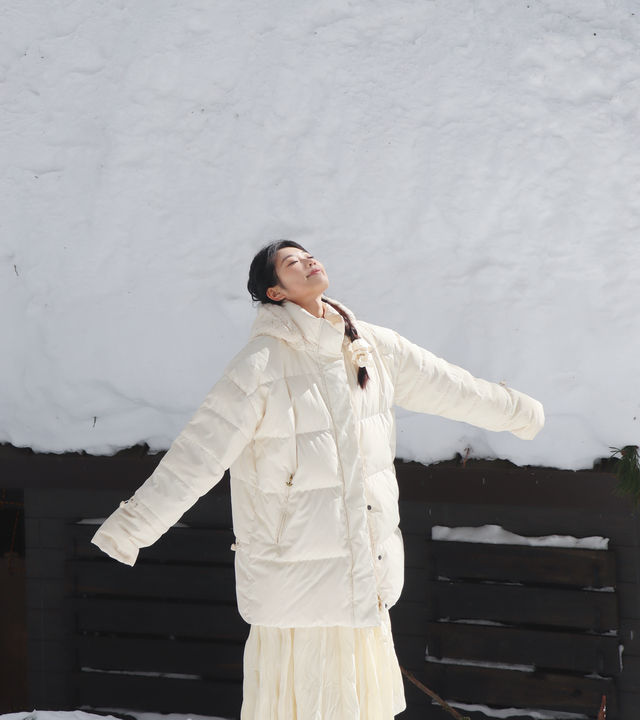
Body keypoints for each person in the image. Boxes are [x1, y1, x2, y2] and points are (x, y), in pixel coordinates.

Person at [92, 239, 544, 720]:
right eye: (291, 262)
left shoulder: (368, 346)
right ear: (275, 292)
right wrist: (130, 530)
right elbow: (197, 454)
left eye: (307, 254)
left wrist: (520, 413)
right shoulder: (260, 365)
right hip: (297, 579)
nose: (308, 261)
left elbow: (448, 385)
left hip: (362, 571)